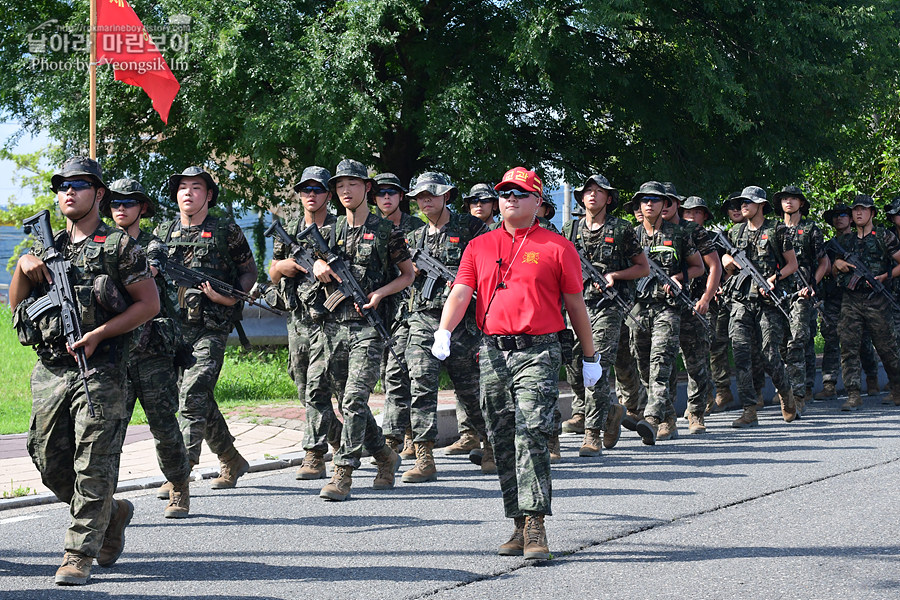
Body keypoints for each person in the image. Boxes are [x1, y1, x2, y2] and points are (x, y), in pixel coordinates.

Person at [434, 166, 600, 560]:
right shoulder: (479, 245)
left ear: (539, 203)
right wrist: (444, 330)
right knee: (501, 436)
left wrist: (590, 355)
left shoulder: (558, 248)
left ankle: (536, 522)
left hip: (539, 349)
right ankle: (517, 522)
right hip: (492, 350)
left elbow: (576, 305)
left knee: (531, 432)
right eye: (504, 192)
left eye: (520, 193)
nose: (510, 198)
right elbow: (461, 291)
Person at [10, 157, 159, 585]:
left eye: (79, 184)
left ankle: (79, 553)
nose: (68, 191)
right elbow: (15, 305)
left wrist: (99, 333)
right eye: (62, 185)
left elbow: (148, 305)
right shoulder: (44, 247)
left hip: (103, 368)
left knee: (93, 462)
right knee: (46, 458)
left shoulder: (118, 246)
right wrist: (23, 268)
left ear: (99, 193)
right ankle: (113, 513)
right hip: (53, 370)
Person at [309, 159, 415, 501]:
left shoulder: (386, 231)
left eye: (352, 184)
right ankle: (385, 457)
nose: (345, 191)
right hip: (332, 327)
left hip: (368, 327)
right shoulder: (328, 231)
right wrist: (318, 264)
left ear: (366, 188)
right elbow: (306, 259)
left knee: (355, 398)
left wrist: (379, 293)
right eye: (340, 185)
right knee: (346, 401)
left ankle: (344, 472)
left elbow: (407, 274)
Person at [156, 166, 257, 491]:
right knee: (196, 400)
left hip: (211, 328)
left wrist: (230, 298)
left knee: (194, 392)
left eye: (196, 187)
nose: (188, 193)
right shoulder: (162, 231)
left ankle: (180, 474)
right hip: (172, 332)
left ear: (209, 194)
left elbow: (248, 271)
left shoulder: (227, 231)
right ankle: (231, 458)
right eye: (182, 187)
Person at [104, 178, 192, 519]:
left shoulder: (153, 245)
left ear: (142, 208)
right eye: (115, 203)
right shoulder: (102, 244)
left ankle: (179, 485)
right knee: (110, 431)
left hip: (152, 351)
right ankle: (103, 502)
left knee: (163, 426)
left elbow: (149, 269)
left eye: (129, 202)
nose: (121, 208)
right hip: (115, 353)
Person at [403, 172, 488, 482]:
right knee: (421, 383)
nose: (425, 200)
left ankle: (490, 443)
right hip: (424, 319)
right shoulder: (412, 238)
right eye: (420, 196)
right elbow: (405, 276)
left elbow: (493, 264)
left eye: (431, 194)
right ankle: (424, 455)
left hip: (464, 322)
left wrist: (464, 280)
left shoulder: (472, 227)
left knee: (470, 390)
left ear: (446, 196)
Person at [561, 174, 648, 456]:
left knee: (595, 364)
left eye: (599, 192)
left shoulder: (622, 229)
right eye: (588, 191)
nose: (593, 196)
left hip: (609, 307)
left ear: (609, 198)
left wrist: (614, 275)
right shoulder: (570, 230)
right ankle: (611, 411)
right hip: (577, 306)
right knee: (575, 366)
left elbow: (642, 268)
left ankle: (592, 433)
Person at [269, 166, 345, 479]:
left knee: (323, 387)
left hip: (330, 318)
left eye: (317, 189)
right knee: (303, 387)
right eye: (305, 190)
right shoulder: (287, 226)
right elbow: (272, 272)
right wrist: (285, 266)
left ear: (329, 194)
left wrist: (320, 265)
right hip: (297, 318)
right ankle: (348, 438)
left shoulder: (340, 227)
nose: (311, 195)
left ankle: (314, 454)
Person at [630, 181, 704, 444]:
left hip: (668, 308)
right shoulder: (630, 235)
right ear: (639, 205)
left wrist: (679, 277)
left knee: (660, 362)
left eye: (655, 199)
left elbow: (699, 267)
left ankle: (651, 418)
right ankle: (668, 420)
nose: (649, 204)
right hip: (637, 308)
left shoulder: (679, 234)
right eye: (645, 200)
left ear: (665, 204)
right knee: (642, 363)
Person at [721, 186, 799, 427]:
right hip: (741, 300)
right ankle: (749, 408)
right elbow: (724, 256)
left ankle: (786, 393)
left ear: (761, 205)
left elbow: (792, 264)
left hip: (767, 303)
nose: (743, 206)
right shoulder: (735, 232)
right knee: (742, 353)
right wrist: (729, 261)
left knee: (769, 354)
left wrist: (775, 279)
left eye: (748, 202)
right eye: (741, 202)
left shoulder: (777, 230)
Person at [372, 172, 425, 459]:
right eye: (381, 193)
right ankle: (404, 433)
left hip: (411, 308)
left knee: (404, 372)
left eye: (392, 192)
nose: (387, 198)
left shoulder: (416, 228)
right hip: (380, 311)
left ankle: (401, 438)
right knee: (388, 375)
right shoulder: (372, 228)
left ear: (401, 196)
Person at [831, 194, 900, 410]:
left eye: (863, 209)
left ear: (872, 213)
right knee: (849, 347)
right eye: (855, 210)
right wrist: (838, 265)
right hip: (851, 300)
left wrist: (885, 277)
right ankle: (853, 394)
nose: (859, 213)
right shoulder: (844, 240)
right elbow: (831, 268)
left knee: (888, 347)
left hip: (877, 300)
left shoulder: (884, 236)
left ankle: (897, 387)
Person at [661, 190, 722, 434]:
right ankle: (667, 417)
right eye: (657, 201)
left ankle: (696, 414)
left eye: (668, 202)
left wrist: (706, 298)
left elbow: (714, 265)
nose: (662, 206)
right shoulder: (647, 232)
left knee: (695, 361)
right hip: (662, 306)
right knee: (663, 363)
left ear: (677, 204)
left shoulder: (694, 231)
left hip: (693, 303)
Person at [815, 202, 880, 400]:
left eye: (843, 214)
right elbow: (822, 267)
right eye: (835, 215)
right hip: (835, 296)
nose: (839, 218)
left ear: (851, 218)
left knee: (862, 341)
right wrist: (834, 265)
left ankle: (872, 377)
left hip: (857, 296)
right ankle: (829, 384)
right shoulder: (828, 246)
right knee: (832, 339)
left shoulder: (860, 241)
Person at [773, 185, 828, 414]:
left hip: (802, 291)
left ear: (801, 203)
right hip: (778, 291)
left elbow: (823, 262)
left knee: (798, 340)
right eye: (785, 198)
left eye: (794, 198)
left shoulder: (811, 229)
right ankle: (791, 388)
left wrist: (812, 285)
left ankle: (798, 394)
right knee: (783, 343)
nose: (789, 202)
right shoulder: (774, 230)